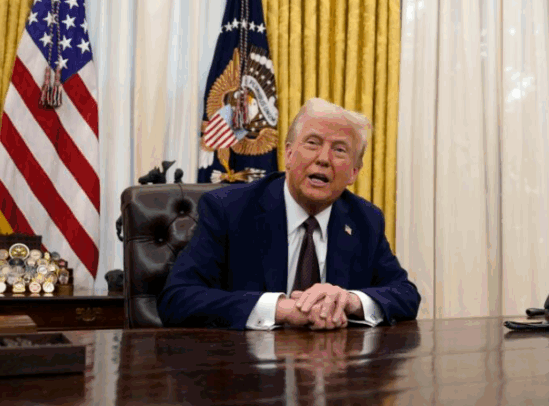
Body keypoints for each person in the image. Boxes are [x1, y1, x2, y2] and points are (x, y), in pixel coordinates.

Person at [159, 97, 420, 330]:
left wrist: (350, 301)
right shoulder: (229, 209)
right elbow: (177, 298)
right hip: (246, 364)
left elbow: (405, 295)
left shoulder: (365, 220)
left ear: (353, 172)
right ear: (289, 154)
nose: (324, 158)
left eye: (339, 150)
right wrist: (281, 309)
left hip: (335, 364)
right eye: (312, 143)